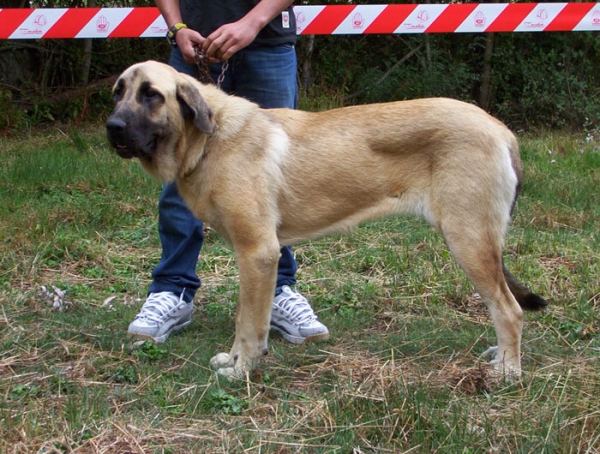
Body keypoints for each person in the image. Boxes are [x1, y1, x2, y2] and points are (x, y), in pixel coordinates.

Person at [127, 0, 329, 346]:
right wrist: (176, 28)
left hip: (267, 43)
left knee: (279, 183)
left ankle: (279, 290)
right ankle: (172, 290)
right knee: (179, 172)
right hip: (191, 44)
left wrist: (253, 21)